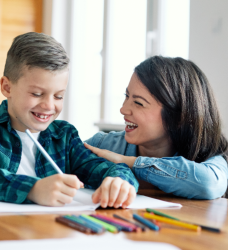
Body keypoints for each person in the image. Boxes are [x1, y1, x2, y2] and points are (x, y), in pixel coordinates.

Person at [0, 32, 138, 208]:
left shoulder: (64, 136)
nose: (48, 106)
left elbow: (106, 168)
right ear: (7, 87)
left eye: (59, 96)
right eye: (37, 94)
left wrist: (120, 182)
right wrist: (33, 189)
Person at [84, 56, 228, 199]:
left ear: (177, 118)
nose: (123, 109)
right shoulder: (102, 145)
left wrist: (128, 162)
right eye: (126, 96)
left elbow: (209, 185)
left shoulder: (206, 159)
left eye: (139, 103)